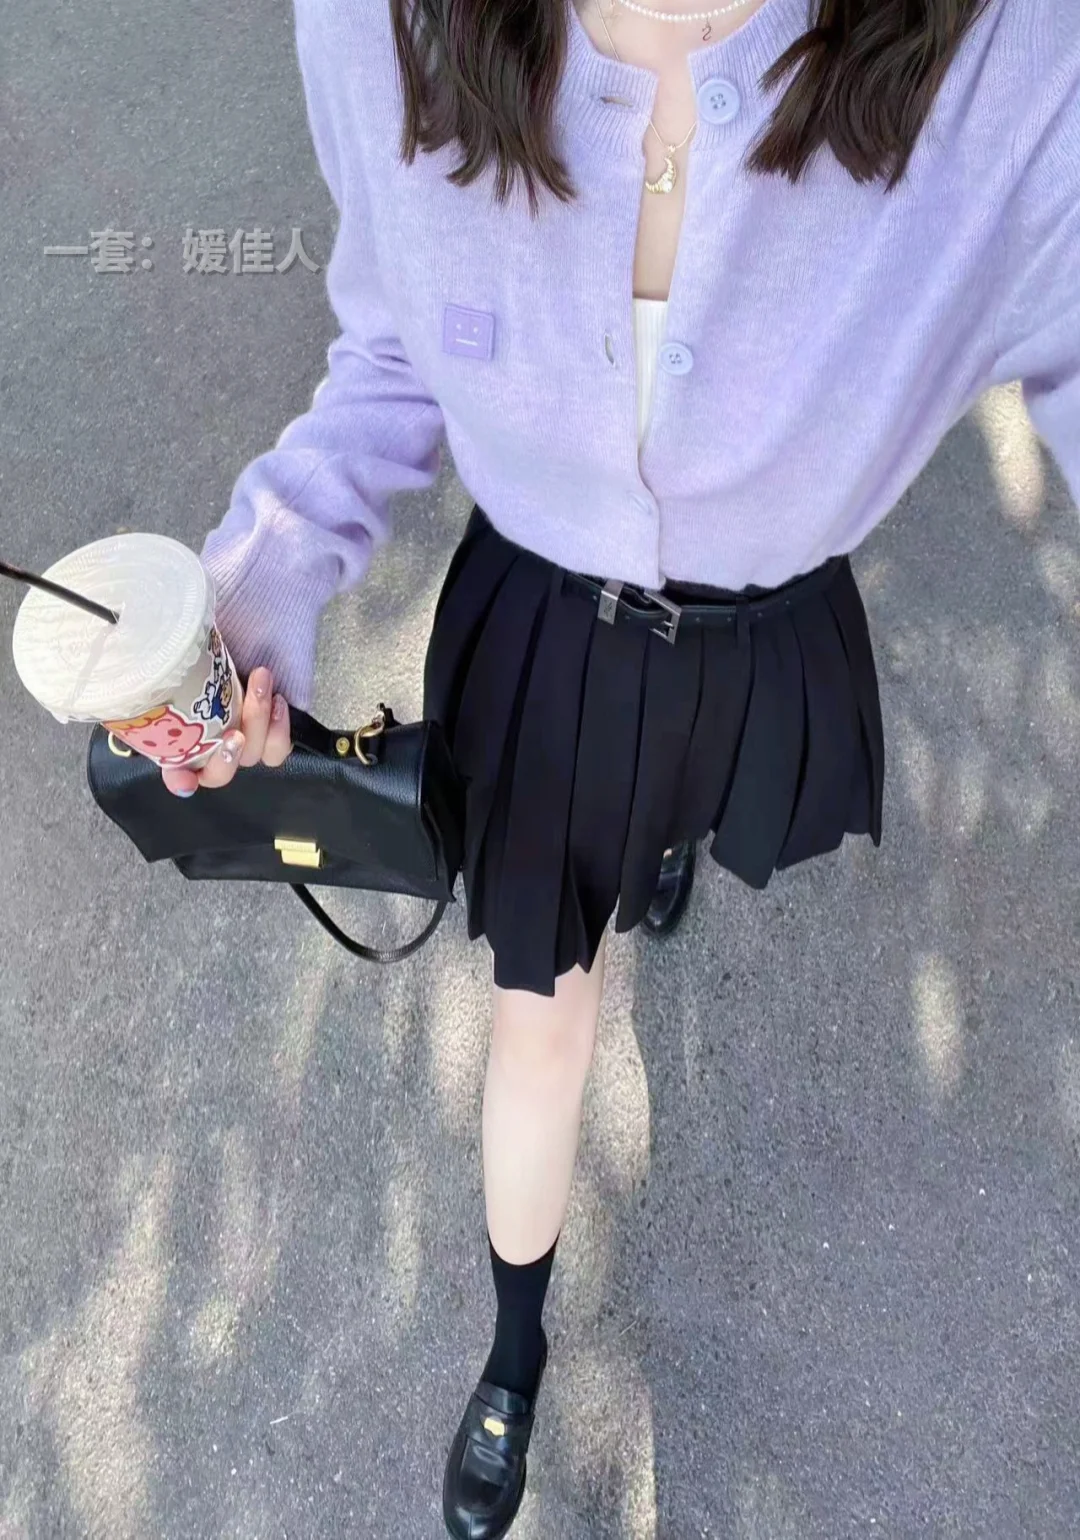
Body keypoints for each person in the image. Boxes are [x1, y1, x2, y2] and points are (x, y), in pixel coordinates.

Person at [161, 0, 1080, 1533]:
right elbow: (390, 349)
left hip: (765, 637)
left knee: (686, 819)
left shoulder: (1021, 62)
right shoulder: (379, 24)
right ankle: (516, 1352)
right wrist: (258, 582)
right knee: (541, 1028)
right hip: (551, 644)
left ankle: (659, 850)